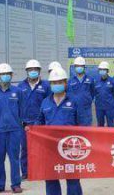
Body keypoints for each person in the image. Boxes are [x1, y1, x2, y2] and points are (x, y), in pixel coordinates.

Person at [36, 67, 82, 195]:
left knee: (72, 179)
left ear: (65, 83)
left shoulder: (73, 102)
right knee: (51, 178)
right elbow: (39, 122)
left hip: (70, 147)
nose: (57, 85)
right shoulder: (45, 102)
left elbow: (81, 125)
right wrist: (31, 130)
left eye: (60, 82)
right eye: (54, 83)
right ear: (50, 85)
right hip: (50, 148)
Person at [0, 63, 24, 194]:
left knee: (14, 158)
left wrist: (18, 125)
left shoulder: (18, 92)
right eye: (2, 74)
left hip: (14, 130)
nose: (5, 76)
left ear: (11, 75)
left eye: (7, 74)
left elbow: (22, 110)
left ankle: (16, 184)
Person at [19, 59, 49, 180]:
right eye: (30, 70)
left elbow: (49, 103)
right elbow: (18, 105)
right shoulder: (21, 87)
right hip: (25, 124)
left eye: (35, 70)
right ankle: (25, 172)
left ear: (39, 71)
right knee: (25, 148)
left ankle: (40, 170)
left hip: (40, 123)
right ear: (27, 71)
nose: (32, 72)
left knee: (41, 149)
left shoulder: (46, 86)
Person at [67, 57, 95, 126]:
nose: (79, 67)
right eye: (77, 66)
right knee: (73, 131)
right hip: (73, 110)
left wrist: (87, 100)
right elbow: (68, 94)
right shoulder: (70, 81)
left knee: (86, 132)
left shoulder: (90, 79)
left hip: (86, 111)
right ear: (75, 67)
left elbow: (92, 92)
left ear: (84, 67)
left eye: (81, 66)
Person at [94, 61, 114, 127]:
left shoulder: (112, 81)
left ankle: (111, 137)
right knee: (100, 125)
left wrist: (112, 104)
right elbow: (94, 93)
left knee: (111, 125)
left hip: (110, 107)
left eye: (104, 70)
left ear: (107, 71)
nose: (102, 71)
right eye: (101, 70)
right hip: (99, 107)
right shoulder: (96, 81)